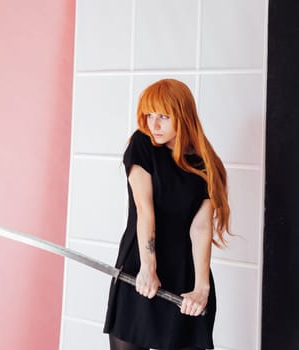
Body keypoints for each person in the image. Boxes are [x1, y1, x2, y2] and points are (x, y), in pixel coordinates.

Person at [103, 79, 231, 350]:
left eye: (163, 116)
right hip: (139, 268)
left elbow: (201, 228)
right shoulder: (142, 145)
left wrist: (201, 288)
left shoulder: (206, 164)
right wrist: (148, 268)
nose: (154, 125)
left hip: (184, 274)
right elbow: (144, 208)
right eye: (149, 115)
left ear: (183, 117)